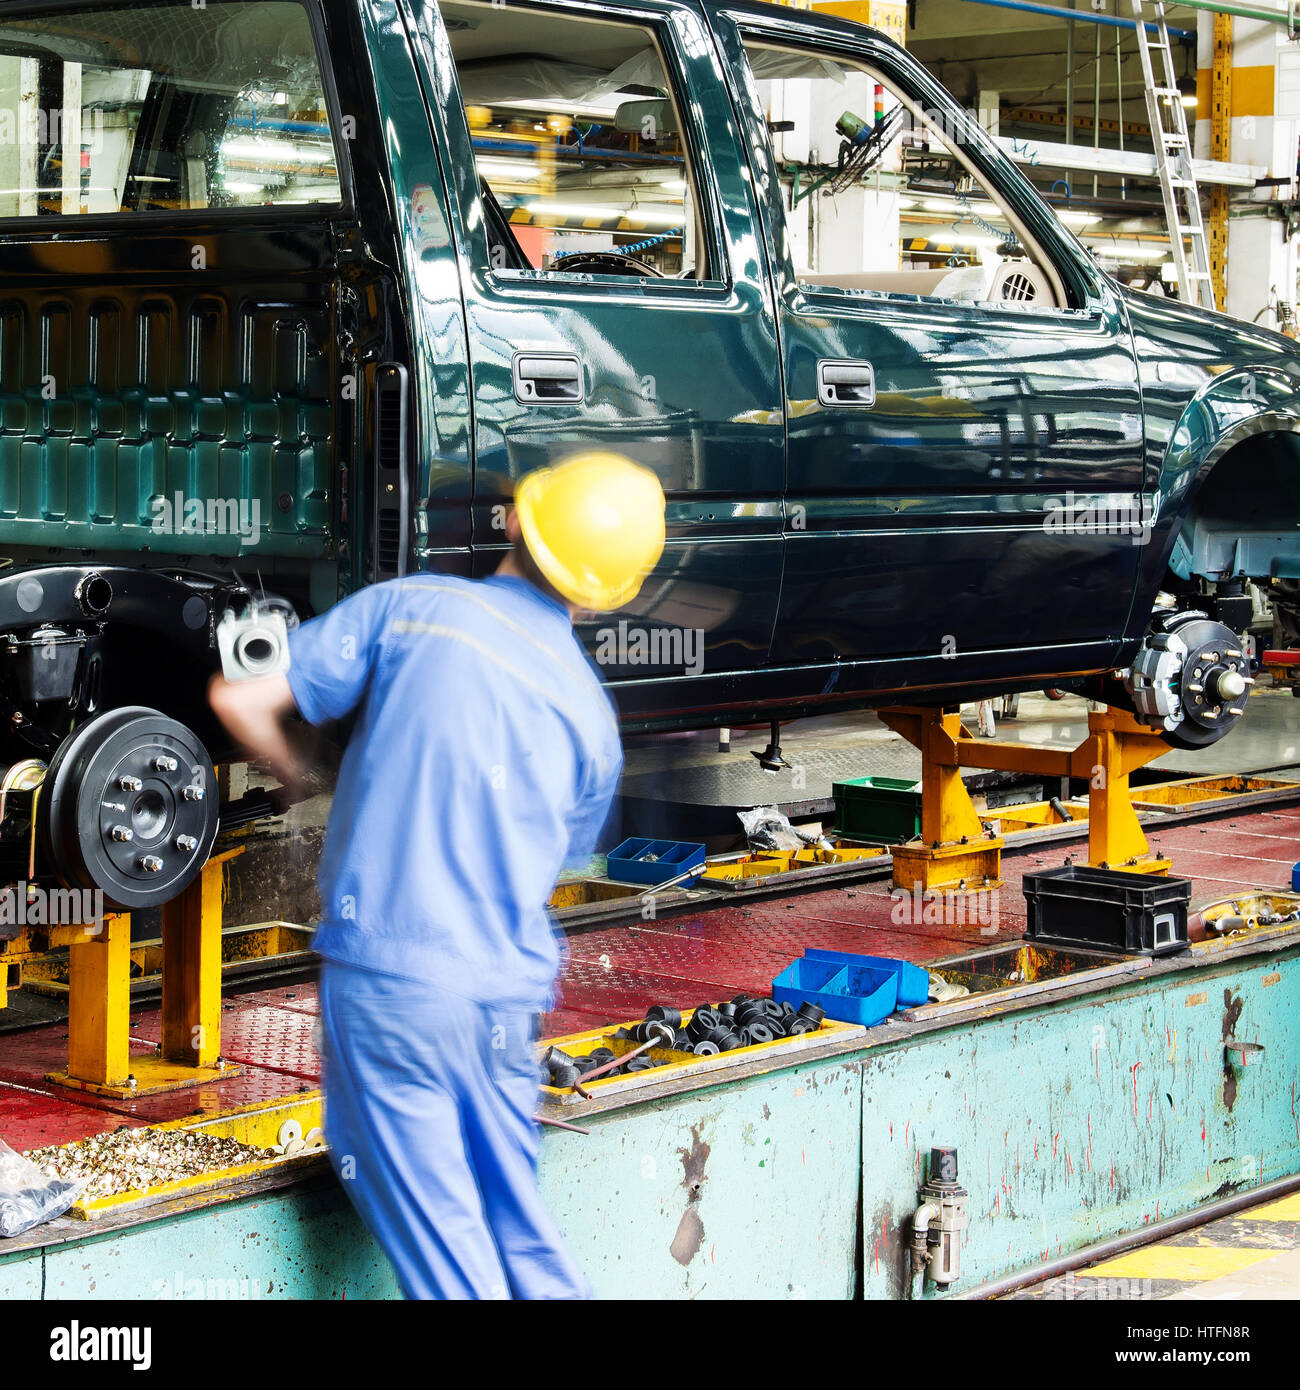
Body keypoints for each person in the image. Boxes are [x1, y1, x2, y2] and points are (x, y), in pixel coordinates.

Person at [208, 452, 667, 1300]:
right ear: (609, 593)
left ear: (515, 522)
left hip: (392, 987)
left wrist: (301, 772)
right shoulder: (590, 718)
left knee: (449, 1265)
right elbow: (550, 857)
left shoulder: (412, 608)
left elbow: (239, 700)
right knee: (517, 1233)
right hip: (503, 997)